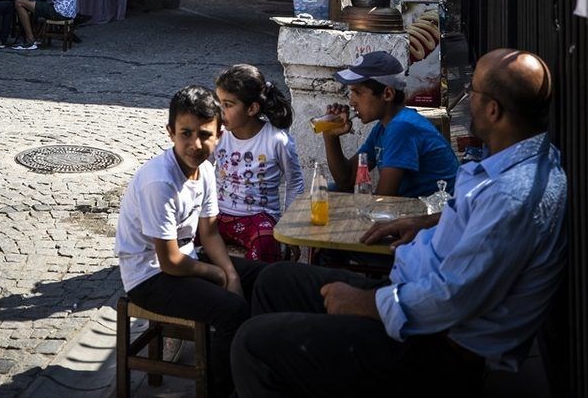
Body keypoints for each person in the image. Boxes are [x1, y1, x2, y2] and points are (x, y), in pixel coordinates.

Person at [230, 48, 568, 398]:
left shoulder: (512, 196)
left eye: (474, 93)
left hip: (437, 345)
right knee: (275, 280)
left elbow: (452, 298)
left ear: (494, 111)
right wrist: (428, 222)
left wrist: (363, 304)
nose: (467, 100)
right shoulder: (521, 161)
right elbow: (476, 224)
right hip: (413, 286)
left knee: (252, 345)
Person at [114, 85, 263, 398]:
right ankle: (219, 388)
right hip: (149, 277)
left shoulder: (205, 170)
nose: (195, 144)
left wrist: (232, 273)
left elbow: (209, 233)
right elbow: (169, 261)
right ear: (170, 133)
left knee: (261, 277)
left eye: (205, 134)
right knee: (232, 310)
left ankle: (255, 366)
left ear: (219, 134)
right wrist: (219, 275)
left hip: (185, 260)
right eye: (186, 133)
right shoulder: (159, 181)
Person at [322, 50, 458, 197]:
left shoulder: (402, 127)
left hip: (436, 213)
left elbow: (385, 200)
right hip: (412, 208)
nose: (351, 101)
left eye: (358, 93)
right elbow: (346, 181)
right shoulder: (383, 128)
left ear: (387, 94)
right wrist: (330, 136)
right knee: (331, 189)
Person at [214, 63, 304, 262]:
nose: (221, 111)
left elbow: (295, 182)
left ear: (252, 108)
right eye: (218, 103)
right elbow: (199, 167)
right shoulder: (217, 134)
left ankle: (256, 289)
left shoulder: (277, 140)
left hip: (258, 219)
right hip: (217, 214)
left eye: (228, 105)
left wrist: (289, 229)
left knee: (265, 240)